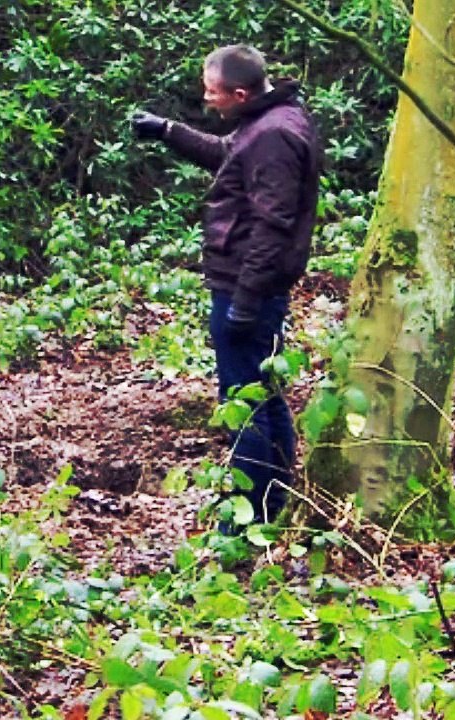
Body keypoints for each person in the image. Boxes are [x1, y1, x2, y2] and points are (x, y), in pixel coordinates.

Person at [131, 45, 321, 526]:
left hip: (247, 287)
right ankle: (271, 505)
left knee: (243, 403)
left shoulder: (274, 134)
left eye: (211, 92)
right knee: (264, 394)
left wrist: (245, 302)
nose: (206, 98)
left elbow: (272, 225)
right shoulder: (269, 120)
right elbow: (228, 155)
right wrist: (168, 131)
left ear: (239, 93)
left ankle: (244, 522)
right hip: (249, 285)